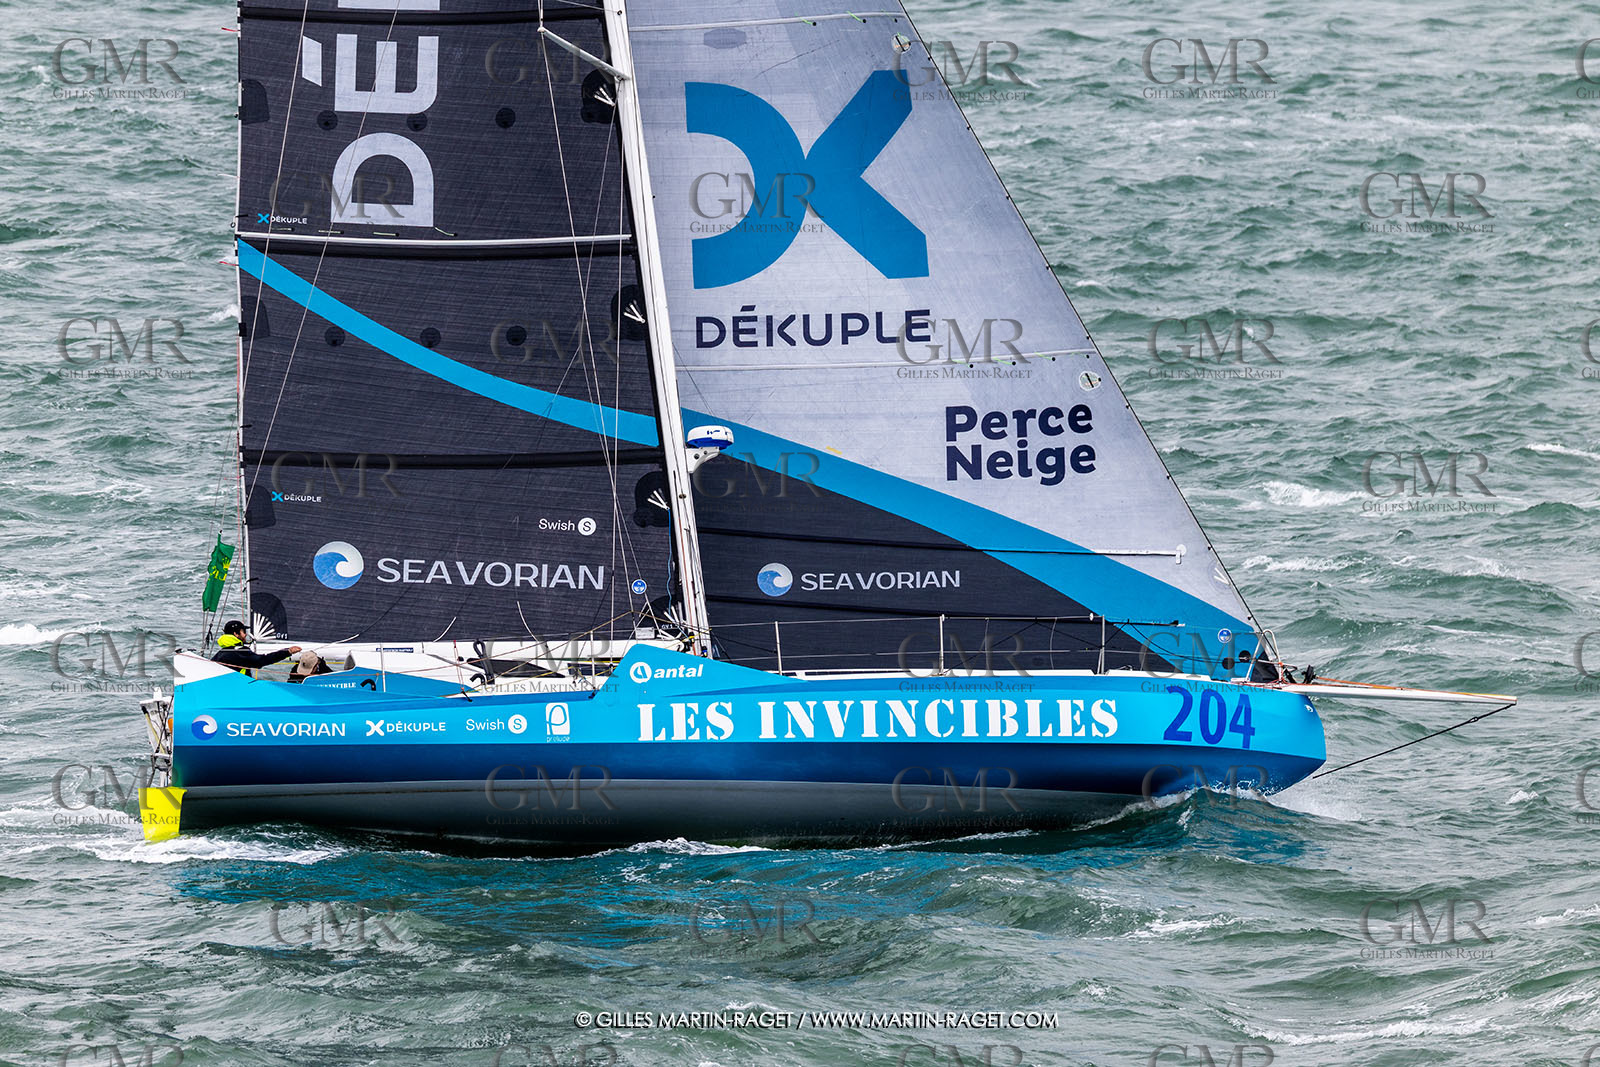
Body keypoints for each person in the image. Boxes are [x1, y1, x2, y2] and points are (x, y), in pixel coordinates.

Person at [212, 620, 300, 677]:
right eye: (243, 632)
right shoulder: (240, 651)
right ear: (236, 634)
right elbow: (261, 661)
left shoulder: (221, 653)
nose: (245, 634)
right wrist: (287, 652)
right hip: (239, 691)